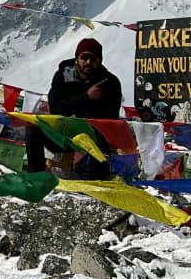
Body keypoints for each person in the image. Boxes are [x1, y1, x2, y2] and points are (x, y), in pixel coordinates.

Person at [24, 38, 123, 178]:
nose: (88, 62)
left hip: (94, 137)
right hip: (64, 134)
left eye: (93, 58)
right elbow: (56, 107)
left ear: (100, 60)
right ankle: (36, 176)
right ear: (77, 58)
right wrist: (86, 97)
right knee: (34, 128)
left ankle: (93, 177)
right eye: (85, 57)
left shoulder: (109, 83)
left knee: (102, 138)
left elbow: (110, 118)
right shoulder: (63, 76)